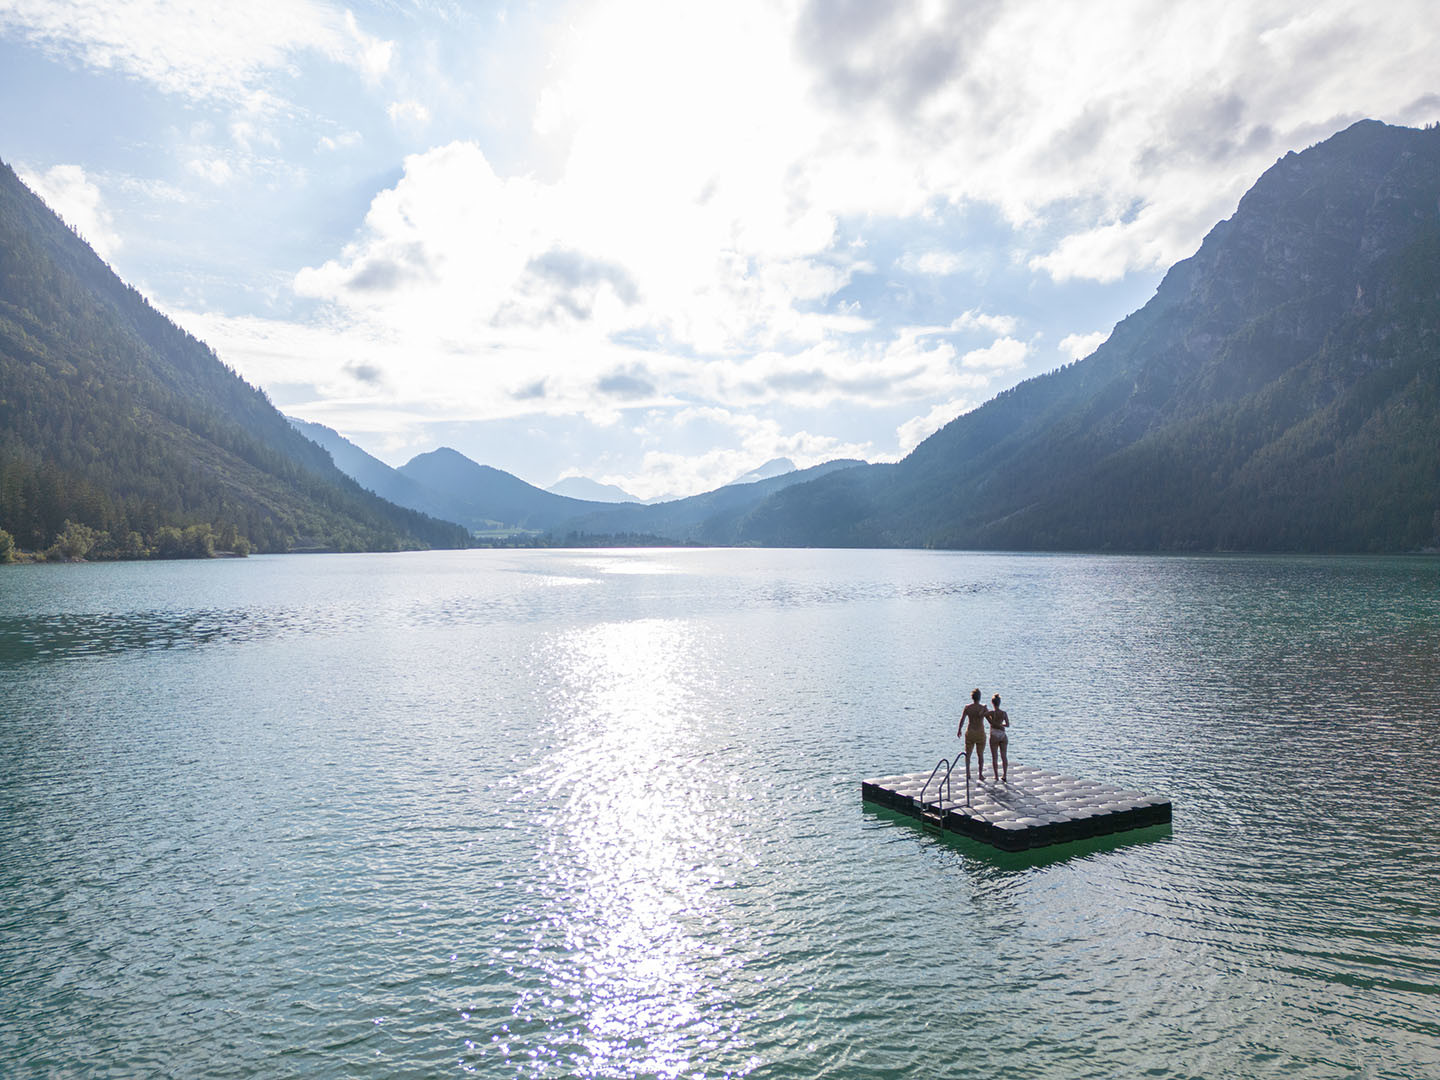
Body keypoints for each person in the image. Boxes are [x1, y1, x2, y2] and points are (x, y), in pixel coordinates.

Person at [958, 688, 989, 781]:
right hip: (980, 732)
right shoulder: (983, 708)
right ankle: (980, 774)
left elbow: (962, 719)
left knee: (968, 754)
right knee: (980, 754)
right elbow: (989, 719)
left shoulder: (968, 707)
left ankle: (968, 773)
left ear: (972, 697)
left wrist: (959, 729)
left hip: (970, 732)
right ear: (979, 697)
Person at [987, 693, 1009, 783]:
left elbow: (984, 714)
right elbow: (1007, 725)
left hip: (994, 734)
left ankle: (996, 775)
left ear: (992, 703)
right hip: (1003, 734)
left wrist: (992, 722)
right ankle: (1004, 775)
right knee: (1004, 756)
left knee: (995, 756)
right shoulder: (1004, 713)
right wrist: (1001, 725)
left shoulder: (992, 713)